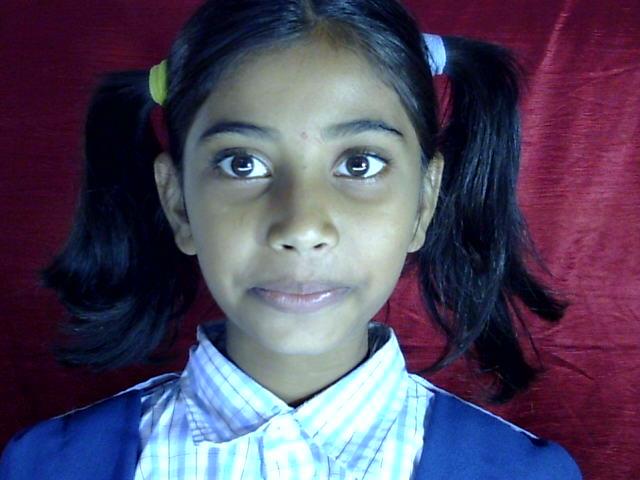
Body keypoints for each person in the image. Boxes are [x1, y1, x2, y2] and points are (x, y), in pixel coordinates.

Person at [0, 0, 583, 478]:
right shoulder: (45, 467)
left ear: (424, 201)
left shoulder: (524, 473)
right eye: (242, 164)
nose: (302, 226)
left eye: (359, 164)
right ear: (178, 202)